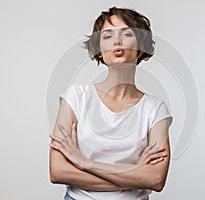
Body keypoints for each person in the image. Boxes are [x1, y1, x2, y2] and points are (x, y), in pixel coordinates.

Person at [49, 6, 173, 200]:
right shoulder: (75, 98)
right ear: (99, 51)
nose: (117, 41)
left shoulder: (155, 109)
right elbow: (57, 171)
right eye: (107, 36)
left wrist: (85, 163)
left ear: (141, 47)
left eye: (126, 34)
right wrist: (135, 173)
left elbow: (155, 179)